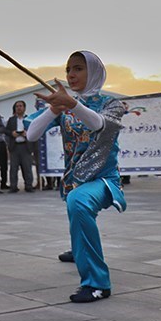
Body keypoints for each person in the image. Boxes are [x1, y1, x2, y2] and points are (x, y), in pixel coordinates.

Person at [27, 51, 126, 303]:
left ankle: (97, 283)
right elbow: (31, 134)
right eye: (69, 69)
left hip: (104, 180)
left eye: (79, 68)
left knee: (79, 202)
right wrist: (53, 110)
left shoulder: (111, 104)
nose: (71, 74)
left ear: (94, 72)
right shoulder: (66, 105)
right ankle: (79, 249)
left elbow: (99, 125)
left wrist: (71, 104)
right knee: (76, 203)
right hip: (74, 178)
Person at [5, 100, 35, 193]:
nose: (19, 108)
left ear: (24, 108)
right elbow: (6, 131)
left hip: (26, 146)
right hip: (15, 147)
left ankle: (28, 186)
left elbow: (34, 130)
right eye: (17, 106)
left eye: (21, 106)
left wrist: (27, 133)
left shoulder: (29, 119)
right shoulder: (11, 119)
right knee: (13, 168)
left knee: (27, 167)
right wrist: (12, 133)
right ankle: (13, 186)